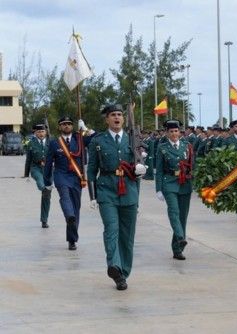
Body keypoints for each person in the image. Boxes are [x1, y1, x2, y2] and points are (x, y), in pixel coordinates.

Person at [87, 104, 147, 290]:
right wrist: (93, 195)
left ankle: (123, 272)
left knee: (127, 235)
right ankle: (114, 265)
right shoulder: (98, 141)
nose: (117, 118)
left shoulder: (133, 140)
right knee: (111, 229)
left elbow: (142, 164)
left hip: (129, 191)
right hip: (107, 190)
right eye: (113, 115)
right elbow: (91, 170)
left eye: (120, 115)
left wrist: (141, 169)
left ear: (124, 118)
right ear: (107, 119)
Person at [43, 116, 95, 250]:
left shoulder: (80, 139)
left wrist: (86, 129)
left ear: (72, 126)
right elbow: (48, 163)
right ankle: (69, 215)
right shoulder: (55, 143)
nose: (66, 126)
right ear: (59, 127)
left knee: (76, 208)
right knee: (65, 198)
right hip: (61, 176)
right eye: (64, 124)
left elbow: (96, 138)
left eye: (69, 124)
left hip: (77, 177)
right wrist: (47, 181)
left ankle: (72, 240)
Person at [156, 120, 194, 260]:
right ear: (167, 133)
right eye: (171, 131)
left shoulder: (187, 146)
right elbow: (159, 170)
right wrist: (158, 189)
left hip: (185, 184)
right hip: (169, 183)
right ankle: (180, 235)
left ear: (179, 132)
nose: (174, 134)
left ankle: (177, 249)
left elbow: (192, 165)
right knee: (174, 211)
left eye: (176, 131)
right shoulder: (162, 148)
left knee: (183, 216)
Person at [24, 124, 52, 228]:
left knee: (46, 197)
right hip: (36, 168)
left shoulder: (51, 143)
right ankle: (43, 188)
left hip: (49, 171)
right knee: (40, 181)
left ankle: (44, 220)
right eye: (39, 132)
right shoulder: (31, 144)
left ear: (46, 132)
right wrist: (26, 174)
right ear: (35, 133)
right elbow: (28, 160)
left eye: (43, 131)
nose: (41, 133)